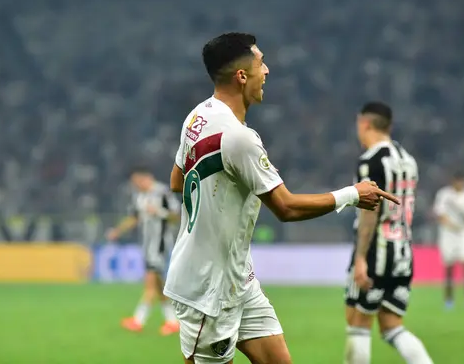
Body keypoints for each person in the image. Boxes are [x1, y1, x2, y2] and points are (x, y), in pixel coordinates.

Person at [163, 32, 399, 364]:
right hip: (207, 289)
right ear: (242, 76)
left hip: (237, 280)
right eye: (261, 62)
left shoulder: (198, 117)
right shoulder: (238, 138)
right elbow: (285, 207)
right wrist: (351, 194)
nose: (267, 70)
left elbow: (177, 180)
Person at [344, 102, 433, 364]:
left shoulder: (370, 160)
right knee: (392, 324)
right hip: (403, 252)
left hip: (376, 251)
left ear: (365, 124)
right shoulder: (408, 160)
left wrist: (360, 257)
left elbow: (370, 212)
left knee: (357, 322)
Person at [107, 166, 181, 336]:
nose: (136, 185)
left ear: (146, 178)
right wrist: (117, 231)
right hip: (148, 245)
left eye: (137, 181)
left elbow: (177, 216)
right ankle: (172, 321)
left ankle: (138, 320)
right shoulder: (140, 196)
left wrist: (159, 212)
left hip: (159, 244)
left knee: (150, 282)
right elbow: (135, 217)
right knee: (157, 284)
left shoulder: (162, 193)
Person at [433, 171, 464, 309]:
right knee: (449, 267)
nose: (461, 184)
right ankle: (449, 300)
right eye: (459, 181)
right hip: (448, 234)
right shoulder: (444, 195)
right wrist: (451, 225)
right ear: (453, 181)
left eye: (463, 181)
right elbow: (440, 215)